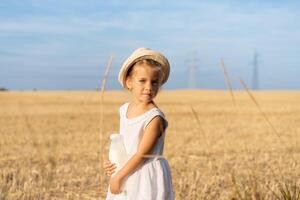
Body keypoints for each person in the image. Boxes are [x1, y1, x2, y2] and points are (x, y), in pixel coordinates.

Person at [103, 47, 174, 200]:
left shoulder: (154, 118)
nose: (149, 87)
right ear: (129, 82)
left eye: (154, 82)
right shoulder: (124, 110)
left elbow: (142, 154)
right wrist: (110, 160)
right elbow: (121, 142)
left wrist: (119, 177)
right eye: (142, 81)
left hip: (145, 174)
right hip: (125, 168)